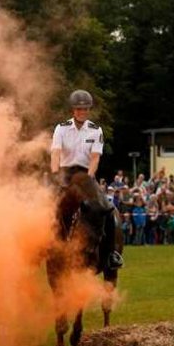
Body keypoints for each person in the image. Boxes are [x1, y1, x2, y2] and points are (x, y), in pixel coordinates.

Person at [50, 89, 123, 269]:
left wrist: (89, 179)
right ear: (73, 110)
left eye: (85, 109)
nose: (82, 112)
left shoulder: (95, 130)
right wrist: (55, 174)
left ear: (89, 110)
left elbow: (95, 158)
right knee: (48, 208)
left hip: (86, 174)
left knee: (107, 209)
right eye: (78, 109)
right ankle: (43, 249)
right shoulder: (61, 128)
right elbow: (56, 153)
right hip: (65, 174)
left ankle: (112, 254)